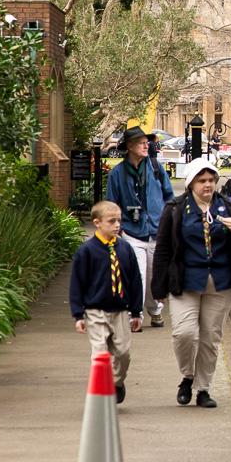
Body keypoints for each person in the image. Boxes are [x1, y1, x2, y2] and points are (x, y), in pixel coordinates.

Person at [151, 159, 231, 409]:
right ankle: (187, 376)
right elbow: (163, 249)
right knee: (184, 333)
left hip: (221, 282)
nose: (207, 185)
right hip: (185, 281)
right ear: (191, 183)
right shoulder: (175, 209)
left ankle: (203, 388)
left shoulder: (228, 206)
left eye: (211, 180)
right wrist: (158, 288)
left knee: (210, 338)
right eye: (202, 180)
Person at [70, 201, 143, 404]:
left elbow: (135, 280)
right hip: (96, 311)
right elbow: (77, 283)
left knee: (123, 353)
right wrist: (78, 314)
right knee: (100, 355)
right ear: (97, 223)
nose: (117, 225)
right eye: (112, 221)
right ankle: (100, 393)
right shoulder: (87, 251)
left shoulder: (125, 248)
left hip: (120, 310)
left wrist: (136, 311)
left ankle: (117, 382)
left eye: (119, 220)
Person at [105, 125, 173, 329]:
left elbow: (168, 196)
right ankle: (136, 316)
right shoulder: (117, 174)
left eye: (147, 142)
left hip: (156, 230)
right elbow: (111, 204)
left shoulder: (155, 167)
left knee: (154, 275)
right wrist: (118, 230)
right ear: (130, 146)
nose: (147, 145)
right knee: (138, 275)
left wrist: (167, 222)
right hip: (133, 232)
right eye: (142, 142)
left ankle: (155, 310)